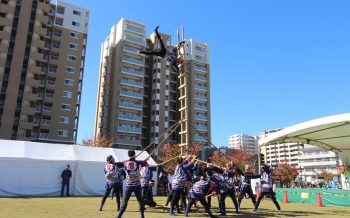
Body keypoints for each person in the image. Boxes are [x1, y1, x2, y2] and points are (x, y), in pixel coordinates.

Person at [114, 149, 148, 218]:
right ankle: (142, 216)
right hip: (137, 184)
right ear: (135, 155)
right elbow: (146, 163)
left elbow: (115, 164)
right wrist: (145, 159)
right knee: (140, 200)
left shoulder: (125, 163)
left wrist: (125, 161)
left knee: (125, 201)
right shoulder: (139, 163)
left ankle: (118, 216)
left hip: (129, 184)